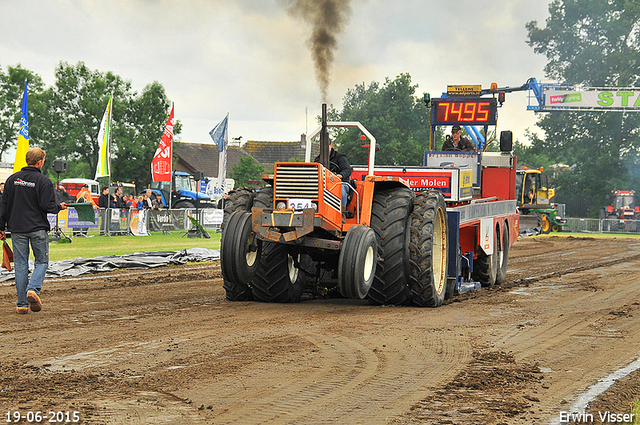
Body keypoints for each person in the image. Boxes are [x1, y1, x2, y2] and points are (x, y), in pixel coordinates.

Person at [0, 148, 68, 314]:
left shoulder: (11, 180)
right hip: (37, 228)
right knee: (41, 262)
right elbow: (48, 206)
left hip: (17, 229)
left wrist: (1, 227)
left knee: (21, 265)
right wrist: (59, 207)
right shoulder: (44, 181)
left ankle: (22, 304)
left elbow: (3, 206)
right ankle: (33, 289)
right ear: (40, 162)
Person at [314, 141, 353, 208]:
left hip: (340, 182)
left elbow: (348, 169)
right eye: (321, 147)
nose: (324, 149)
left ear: (331, 145)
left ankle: (342, 210)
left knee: (340, 189)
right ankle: (315, 208)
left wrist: (341, 175)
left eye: (326, 146)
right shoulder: (318, 160)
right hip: (322, 183)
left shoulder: (340, 157)